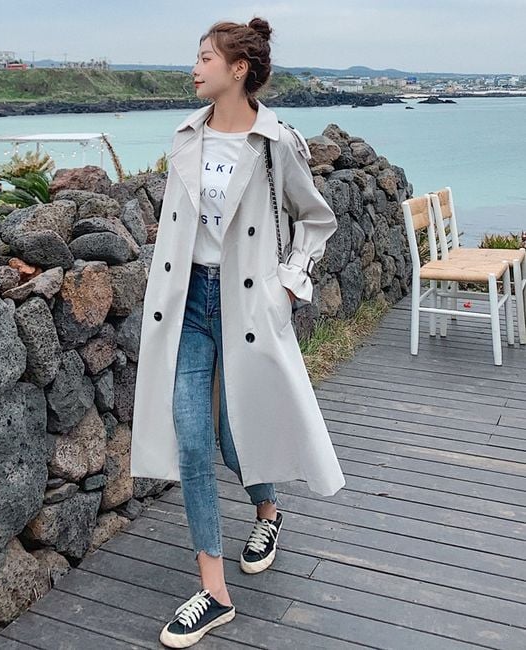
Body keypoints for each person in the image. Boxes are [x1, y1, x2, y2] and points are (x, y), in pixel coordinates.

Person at [130, 16, 345, 648]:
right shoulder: (185, 136)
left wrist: (289, 283)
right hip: (189, 304)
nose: (194, 68)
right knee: (193, 441)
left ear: (238, 68)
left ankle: (268, 511)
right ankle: (214, 593)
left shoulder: (276, 143)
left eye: (205, 58)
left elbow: (316, 219)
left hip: (247, 304)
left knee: (234, 434)